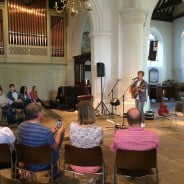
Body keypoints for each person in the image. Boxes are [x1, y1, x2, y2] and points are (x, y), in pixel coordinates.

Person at [17, 102, 65, 177]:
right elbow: (55, 146)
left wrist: (51, 132)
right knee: (56, 150)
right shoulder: (45, 131)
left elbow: (34, 136)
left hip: (26, 160)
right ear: (39, 114)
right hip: (42, 163)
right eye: (42, 111)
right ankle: (54, 174)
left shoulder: (21, 126)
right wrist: (59, 132)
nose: (43, 113)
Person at [69, 100, 103, 175]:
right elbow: (100, 143)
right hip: (93, 166)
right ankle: (97, 179)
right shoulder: (98, 129)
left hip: (75, 165)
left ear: (79, 113)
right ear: (92, 112)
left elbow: (71, 141)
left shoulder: (72, 126)